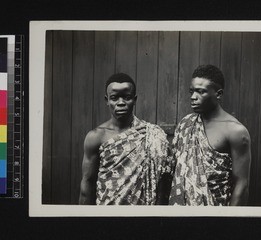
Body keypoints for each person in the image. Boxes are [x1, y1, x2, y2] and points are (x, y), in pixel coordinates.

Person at [79, 73, 170, 205]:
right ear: (107, 100)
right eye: (114, 98)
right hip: (106, 212)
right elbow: (87, 183)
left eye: (127, 97)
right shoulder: (96, 136)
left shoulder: (152, 134)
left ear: (135, 99)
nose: (121, 103)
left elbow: (163, 183)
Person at [169, 65, 251, 206]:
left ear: (218, 94)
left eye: (201, 92)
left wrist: (230, 223)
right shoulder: (186, 123)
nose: (193, 97)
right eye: (192, 92)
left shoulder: (235, 131)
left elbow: (241, 185)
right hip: (181, 211)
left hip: (216, 211)